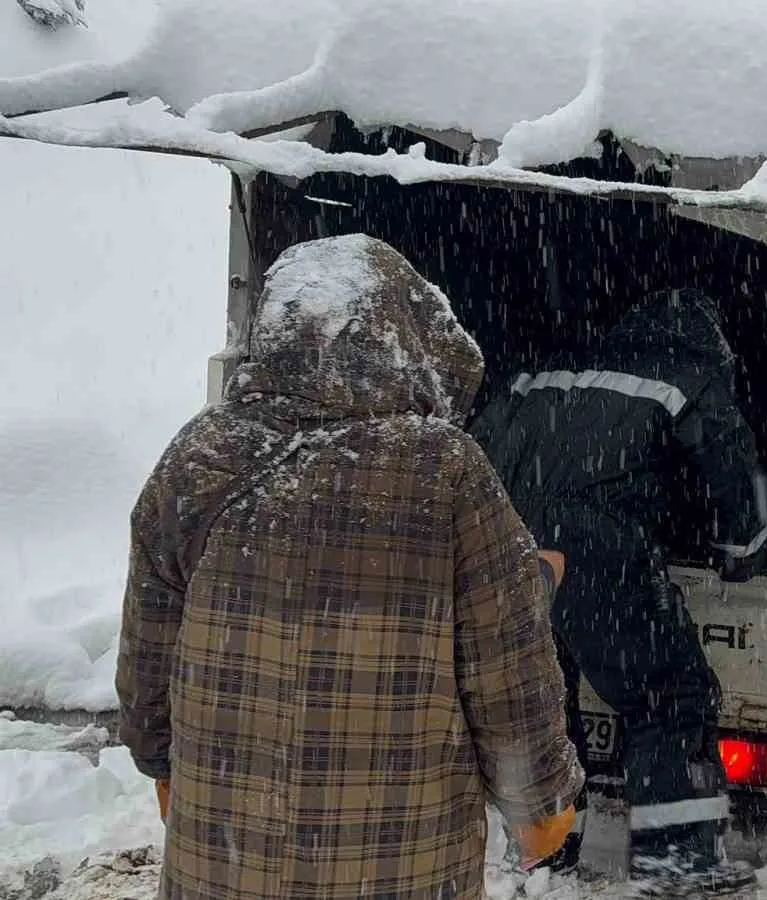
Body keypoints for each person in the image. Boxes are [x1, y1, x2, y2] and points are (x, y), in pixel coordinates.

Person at [115, 234, 584, 899]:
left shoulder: (201, 454)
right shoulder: (444, 470)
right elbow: (507, 669)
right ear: (406, 337)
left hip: (221, 864)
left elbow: (148, 653)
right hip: (402, 868)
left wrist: (160, 760)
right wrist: (540, 800)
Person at [471, 288, 767, 895]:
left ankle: (544, 852)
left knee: (545, 701)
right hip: (600, 545)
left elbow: (477, 447)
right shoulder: (688, 373)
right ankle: (677, 862)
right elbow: (731, 468)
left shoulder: (550, 371)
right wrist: (742, 547)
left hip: (511, 544)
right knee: (668, 694)